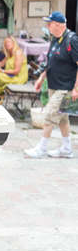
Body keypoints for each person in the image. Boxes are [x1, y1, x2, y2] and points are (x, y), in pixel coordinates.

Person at [25, 11, 78, 159]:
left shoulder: (72, 40)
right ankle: (67, 149)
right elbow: (50, 62)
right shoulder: (55, 39)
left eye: (50, 24)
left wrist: (76, 88)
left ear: (59, 25)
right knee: (62, 118)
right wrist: (41, 78)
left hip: (65, 87)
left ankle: (41, 148)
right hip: (53, 85)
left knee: (49, 116)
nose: (47, 26)